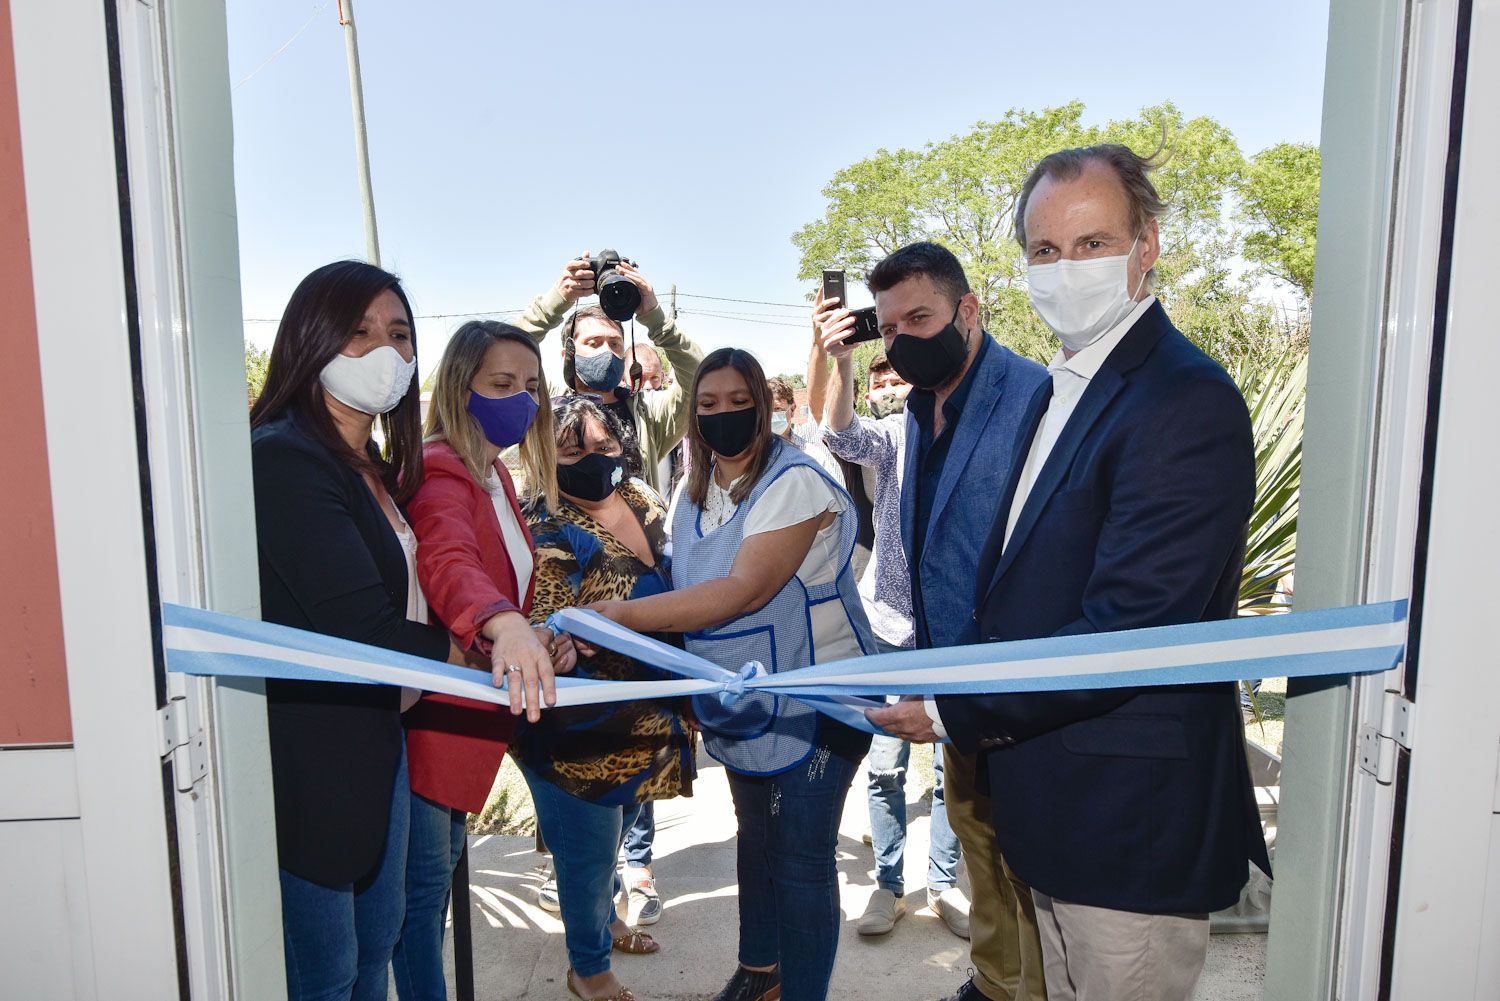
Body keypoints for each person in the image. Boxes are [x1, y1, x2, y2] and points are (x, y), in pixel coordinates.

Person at [872, 145, 1270, 1001]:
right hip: (1055, 809)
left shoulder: (1180, 397)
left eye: (1092, 243)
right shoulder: (1065, 390)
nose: (1066, 269)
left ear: (1147, 245)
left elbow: (1133, 624)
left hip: (1129, 824)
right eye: (1045, 252)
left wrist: (951, 706)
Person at [248, 261, 554, 1000]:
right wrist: (488, 647)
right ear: (309, 339)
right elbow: (369, 628)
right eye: (358, 333)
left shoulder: (373, 467)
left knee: (370, 954)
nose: (384, 350)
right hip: (319, 764)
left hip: (378, 743)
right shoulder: (285, 458)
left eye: (399, 333)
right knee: (327, 973)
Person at [586, 348, 876, 1001]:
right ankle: (760, 970)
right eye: (708, 404)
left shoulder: (794, 482)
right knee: (757, 835)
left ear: (765, 407)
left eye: (738, 401)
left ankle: (801, 989)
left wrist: (620, 615)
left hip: (818, 694)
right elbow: (689, 584)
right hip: (742, 697)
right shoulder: (695, 489)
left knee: (799, 856)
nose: (723, 416)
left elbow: (745, 589)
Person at [823, 242, 1049, 1001]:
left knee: (1027, 865)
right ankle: (992, 980)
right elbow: (844, 437)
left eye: (917, 317)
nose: (902, 339)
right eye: (887, 328)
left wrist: (986, 692)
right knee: (980, 844)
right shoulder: (915, 413)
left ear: (969, 310)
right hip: (944, 673)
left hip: (1019, 691)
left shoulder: (1035, 397)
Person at [397, 320, 577, 1000]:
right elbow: (448, 559)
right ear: (458, 386)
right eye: (502, 385)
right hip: (436, 727)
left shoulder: (495, 469)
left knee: (430, 894)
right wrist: (503, 624)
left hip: (471, 719)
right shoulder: (443, 466)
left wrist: (530, 629)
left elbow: (498, 576)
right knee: (420, 908)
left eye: (530, 387)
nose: (521, 401)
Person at [517, 394, 695, 1001]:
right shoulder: (543, 522)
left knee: (618, 828)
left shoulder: (646, 499)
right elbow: (543, 616)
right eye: (571, 451)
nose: (591, 460)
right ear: (546, 457)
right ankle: (588, 968)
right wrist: (561, 639)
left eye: (604, 447)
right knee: (587, 851)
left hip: (643, 709)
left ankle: (608, 920)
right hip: (577, 718)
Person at [808, 317, 969, 942]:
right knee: (885, 765)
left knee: (954, 764)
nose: (897, 383)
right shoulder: (893, 435)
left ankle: (945, 883)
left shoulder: (969, 432)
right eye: (886, 372)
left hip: (952, 632)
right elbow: (840, 435)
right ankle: (889, 884)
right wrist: (841, 363)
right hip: (886, 628)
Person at [513, 254, 704, 499]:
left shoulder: (649, 416)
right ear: (568, 353)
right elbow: (497, 356)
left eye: (615, 344)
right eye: (593, 343)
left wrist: (654, 317)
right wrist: (555, 303)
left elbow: (699, 377)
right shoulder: (544, 403)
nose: (606, 351)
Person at [767, 375, 844, 481]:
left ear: (792, 409)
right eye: (767, 410)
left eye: (777, 409)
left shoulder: (811, 455)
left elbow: (834, 492)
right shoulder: (751, 457)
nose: (772, 415)